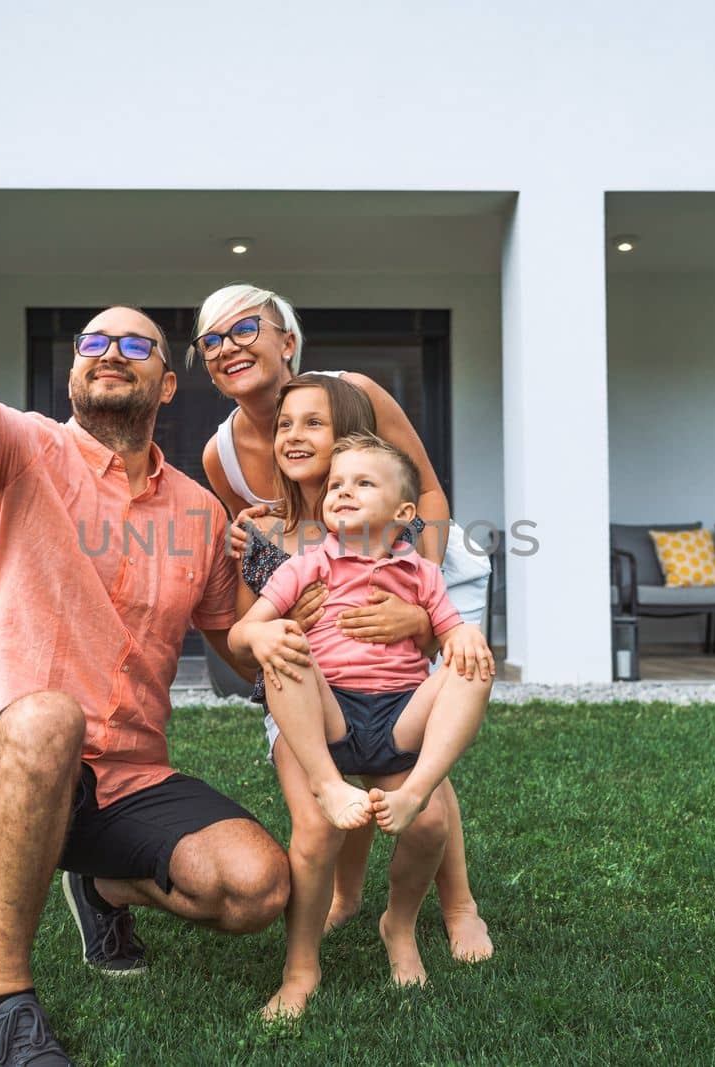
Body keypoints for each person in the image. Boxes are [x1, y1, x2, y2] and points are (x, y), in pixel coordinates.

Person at [0, 155, 289, 1066]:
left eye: (136, 345)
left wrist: (278, 595)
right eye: (95, 343)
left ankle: (103, 886)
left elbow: (240, 654)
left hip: (128, 778)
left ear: (168, 385)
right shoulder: (23, 452)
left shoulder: (202, 512)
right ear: (74, 379)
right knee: (51, 714)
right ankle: (4, 1004)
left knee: (257, 886)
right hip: (7, 756)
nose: (113, 353)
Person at [194, 284, 495, 964]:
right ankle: (346, 895)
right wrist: (279, 610)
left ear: (286, 341)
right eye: (210, 339)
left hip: (393, 596)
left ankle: (457, 902)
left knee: (426, 762)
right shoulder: (226, 461)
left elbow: (426, 494)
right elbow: (258, 596)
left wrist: (416, 604)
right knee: (331, 789)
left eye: (244, 328)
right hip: (310, 659)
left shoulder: (352, 394)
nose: (228, 346)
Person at [228, 430, 494, 1018]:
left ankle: (398, 922)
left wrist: (464, 633)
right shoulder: (306, 564)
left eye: (362, 483)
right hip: (327, 715)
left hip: (400, 717)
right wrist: (263, 632)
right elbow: (241, 635)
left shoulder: (422, 577)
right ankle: (301, 968)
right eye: (337, 484)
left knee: (472, 668)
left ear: (404, 514)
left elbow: (447, 641)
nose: (342, 492)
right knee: (284, 647)